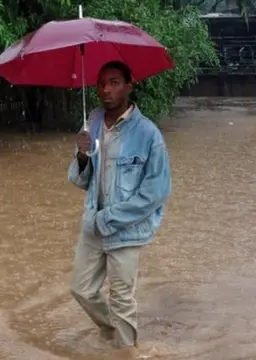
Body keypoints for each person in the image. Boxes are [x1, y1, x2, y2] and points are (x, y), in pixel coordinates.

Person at [67, 61, 172, 358]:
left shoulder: (148, 134)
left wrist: (111, 218)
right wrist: (82, 154)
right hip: (93, 223)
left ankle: (126, 352)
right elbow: (80, 180)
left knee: (122, 298)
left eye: (114, 82)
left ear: (129, 85)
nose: (106, 89)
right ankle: (113, 330)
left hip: (126, 229)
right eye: (101, 84)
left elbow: (156, 192)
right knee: (81, 289)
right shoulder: (93, 122)